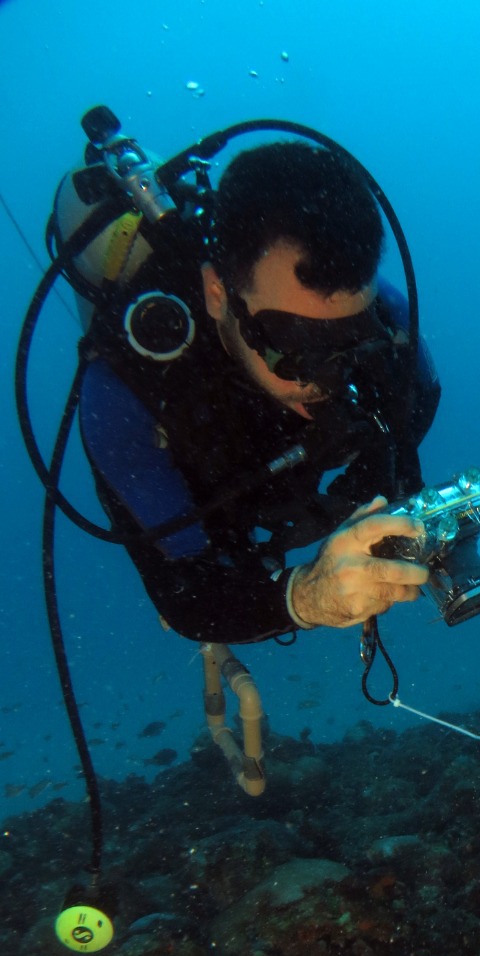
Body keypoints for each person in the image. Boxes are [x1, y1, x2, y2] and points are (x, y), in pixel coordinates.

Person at [78, 140, 441, 645]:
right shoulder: (125, 397)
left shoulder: (394, 330)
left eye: (351, 342)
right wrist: (305, 596)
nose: (329, 381)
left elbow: (410, 423)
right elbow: (189, 598)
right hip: (206, 488)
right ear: (218, 294)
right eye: (294, 345)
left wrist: (375, 500)